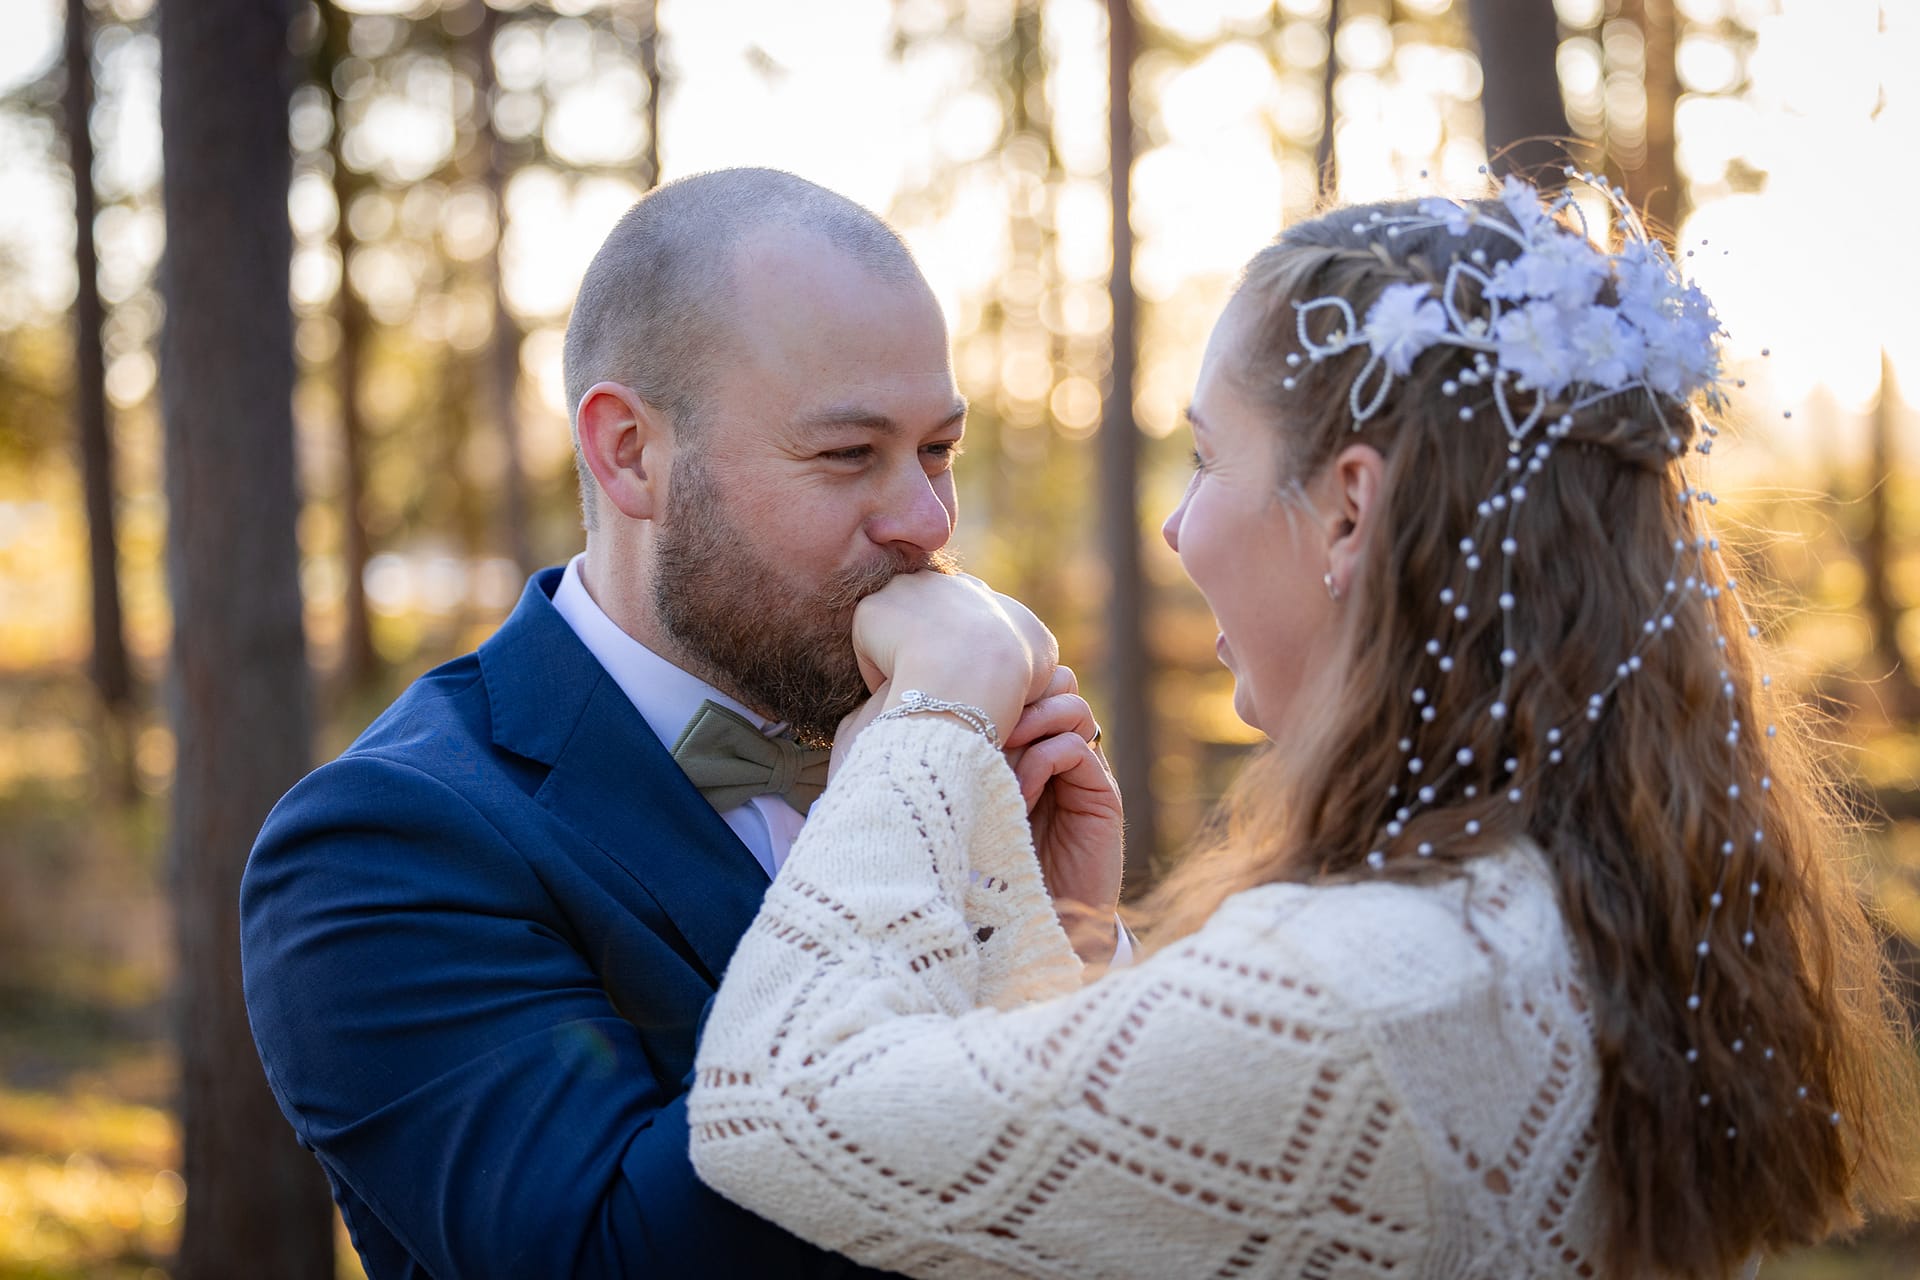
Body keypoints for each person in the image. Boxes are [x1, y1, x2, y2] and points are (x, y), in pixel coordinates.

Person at [689, 174, 1917, 1279]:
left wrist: (934, 711)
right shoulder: (1564, 905)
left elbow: (773, 1109)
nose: (1177, 528)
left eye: (1206, 457)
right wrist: (1055, 935)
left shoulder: (1367, 996)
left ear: (1348, 511)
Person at [239, 168, 1119, 1279]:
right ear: (630, 452)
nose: (927, 521)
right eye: (849, 455)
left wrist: (1063, 951)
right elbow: (608, 1257)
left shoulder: (942, 753)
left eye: (937, 449)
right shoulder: (381, 845)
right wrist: (899, 815)